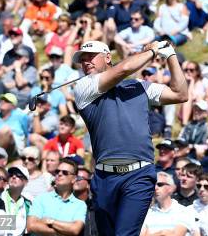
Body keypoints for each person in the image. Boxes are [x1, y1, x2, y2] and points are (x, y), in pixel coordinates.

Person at [72, 39, 187, 236]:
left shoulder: (139, 87)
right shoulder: (83, 87)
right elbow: (123, 68)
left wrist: (170, 56)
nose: (86, 62)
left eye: (91, 57)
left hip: (138, 174)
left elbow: (180, 94)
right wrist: (153, 52)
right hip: (104, 177)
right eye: (83, 59)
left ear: (108, 57)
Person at [27, 158, 87, 236]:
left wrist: (50, 221)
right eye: (57, 171)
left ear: (74, 179)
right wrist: (64, 232)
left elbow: (75, 229)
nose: (59, 174)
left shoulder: (80, 205)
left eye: (65, 172)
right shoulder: (41, 198)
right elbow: (31, 226)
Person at [140, 171, 193, 236]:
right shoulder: (148, 213)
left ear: (171, 188)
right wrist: (163, 233)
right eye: (153, 185)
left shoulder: (184, 211)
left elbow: (177, 235)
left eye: (160, 184)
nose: (155, 188)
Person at [2, 165, 32, 236]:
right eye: (11, 174)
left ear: (26, 182)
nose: (14, 177)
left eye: (18, 175)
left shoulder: (28, 205)